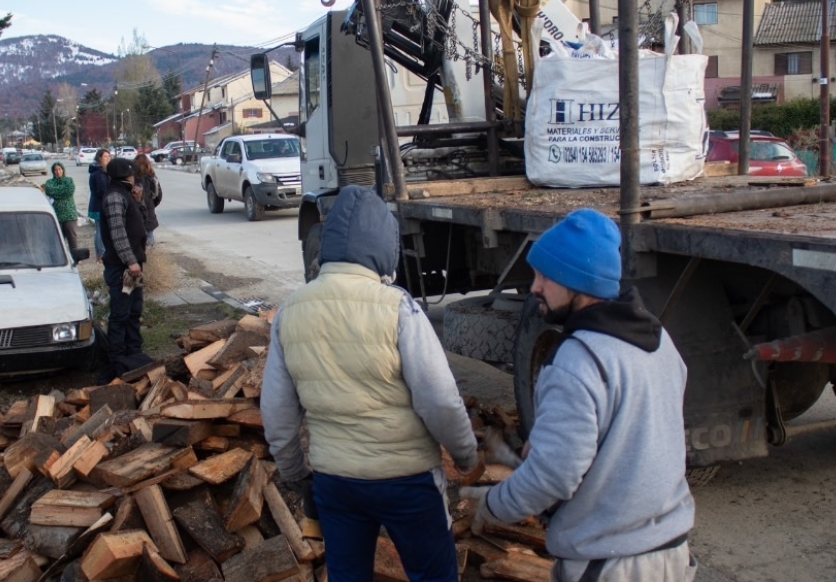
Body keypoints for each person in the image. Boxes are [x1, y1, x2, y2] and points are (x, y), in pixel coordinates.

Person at [465, 208, 696, 582]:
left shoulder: (578, 360)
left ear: (578, 282)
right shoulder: (658, 341)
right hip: (670, 551)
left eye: (546, 276)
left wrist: (493, 505)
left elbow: (553, 478)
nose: (534, 287)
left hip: (609, 562)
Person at [261, 185, 478, 582]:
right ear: (383, 245)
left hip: (336, 482)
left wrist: (296, 473)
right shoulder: (399, 307)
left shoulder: (290, 311)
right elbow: (440, 400)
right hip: (408, 481)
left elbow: (277, 413)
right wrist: (465, 454)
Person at [99, 157, 153, 376]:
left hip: (133, 265)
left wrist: (139, 201)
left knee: (134, 308)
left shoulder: (126, 194)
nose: (134, 177)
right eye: (131, 174)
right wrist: (130, 262)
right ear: (124, 176)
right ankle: (118, 359)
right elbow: (118, 234)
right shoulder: (114, 196)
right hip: (123, 267)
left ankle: (134, 352)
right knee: (120, 311)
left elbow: (141, 221)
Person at [43, 162, 78, 250]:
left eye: (59, 169)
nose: (58, 172)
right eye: (56, 170)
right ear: (53, 171)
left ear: (62, 170)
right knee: (58, 239)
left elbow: (69, 190)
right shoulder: (49, 182)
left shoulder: (69, 180)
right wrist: (62, 192)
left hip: (69, 214)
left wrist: (57, 193)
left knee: (72, 238)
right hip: (56, 215)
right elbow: (49, 190)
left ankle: (75, 257)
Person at [87, 149, 112, 260]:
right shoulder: (99, 173)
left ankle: (99, 254)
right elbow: (102, 190)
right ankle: (102, 254)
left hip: (97, 204)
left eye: (108, 156)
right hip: (99, 205)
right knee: (101, 231)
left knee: (98, 230)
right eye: (105, 156)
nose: (107, 158)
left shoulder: (100, 171)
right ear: (99, 158)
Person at [133, 154, 162, 243]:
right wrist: (151, 204)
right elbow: (158, 195)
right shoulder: (152, 177)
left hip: (134, 213)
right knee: (149, 238)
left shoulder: (131, 178)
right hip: (149, 212)